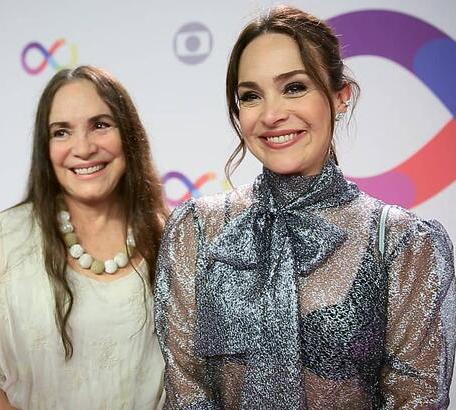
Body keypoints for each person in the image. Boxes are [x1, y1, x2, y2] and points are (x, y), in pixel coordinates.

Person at [155, 6, 456, 409]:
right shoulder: (196, 229)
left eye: (294, 87)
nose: (272, 115)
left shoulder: (404, 242)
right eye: (250, 96)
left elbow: (416, 398)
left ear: (340, 96)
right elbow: (186, 388)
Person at [0, 66, 168, 409]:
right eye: (61, 132)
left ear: (128, 135)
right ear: (46, 147)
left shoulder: (172, 240)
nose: (83, 148)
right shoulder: (4, 239)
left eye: (100, 125)